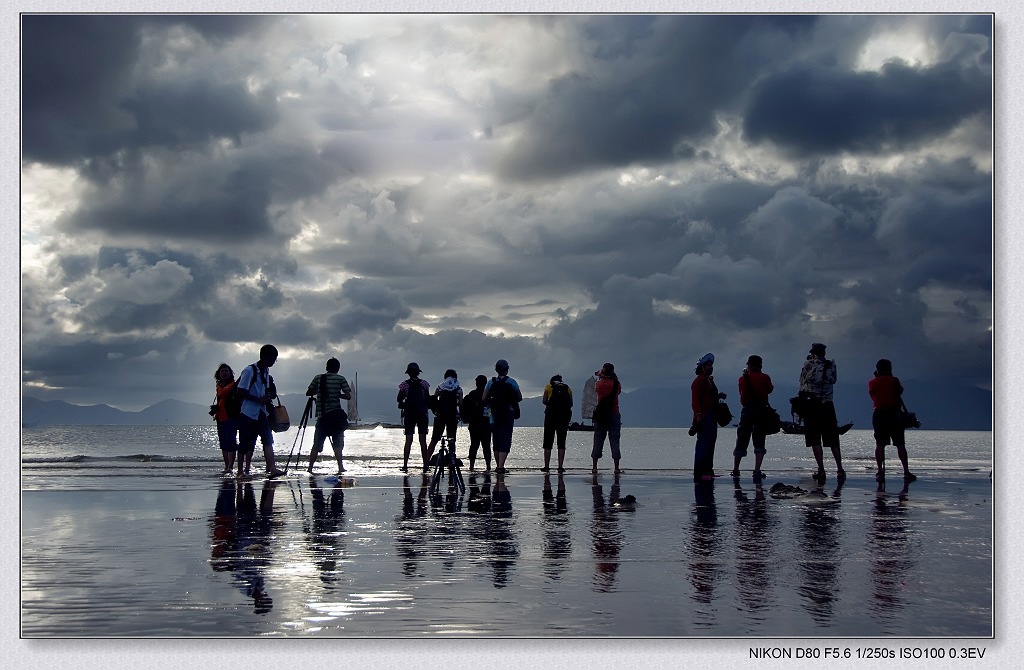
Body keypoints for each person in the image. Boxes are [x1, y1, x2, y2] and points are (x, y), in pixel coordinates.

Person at [236, 344, 286, 478]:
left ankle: (272, 468)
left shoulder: (265, 371)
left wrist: (267, 397)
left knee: (268, 440)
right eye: (273, 359)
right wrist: (258, 399)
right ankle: (240, 472)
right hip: (248, 412)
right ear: (264, 357)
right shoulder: (249, 370)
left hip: (262, 412)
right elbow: (240, 391)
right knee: (244, 443)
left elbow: (266, 390)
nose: (274, 362)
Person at [799, 342, 845, 482]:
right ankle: (840, 469)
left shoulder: (809, 365)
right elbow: (833, 380)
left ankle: (821, 469)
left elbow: (802, 381)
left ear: (813, 353)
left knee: (814, 439)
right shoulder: (831, 365)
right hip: (828, 405)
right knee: (833, 439)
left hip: (812, 405)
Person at [868, 358, 916, 483]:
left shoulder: (872, 382)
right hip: (895, 414)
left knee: (880, 445)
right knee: (900, 444)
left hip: (879, 414)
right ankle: (905, 471)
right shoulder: (894, 381)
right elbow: (900, 392)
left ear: (877, 368)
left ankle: (879, 472)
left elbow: (872, 395)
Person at [305, 357, 353, 475]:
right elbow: (348, 396)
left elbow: (309, 393)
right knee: (338, 443)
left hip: (322, 416)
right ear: (338, 368)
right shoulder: (341, 379)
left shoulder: (318, 378)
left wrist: (319, 391)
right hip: (336, 416)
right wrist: (337, 395)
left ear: (326, 367)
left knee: (316, 444)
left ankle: (310, 468)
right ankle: (340, 467)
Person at [731, 355, 774, 480]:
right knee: (760, 440)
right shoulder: (765, 377)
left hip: (747, 410)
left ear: (749, 365)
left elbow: (741, 393)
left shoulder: (742, 379)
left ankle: (736, 469)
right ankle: (757, 470)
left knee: (742, 439)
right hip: (761, 411)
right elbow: (770, 389)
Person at [482, 359, 522, 475]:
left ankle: (497, 465)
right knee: (506, 439)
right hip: (508, 414)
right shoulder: (512, 382)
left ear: (496, 369)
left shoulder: (491, 382)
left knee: (496, 440)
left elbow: (484, 399)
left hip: (493, 415)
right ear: (507, 369)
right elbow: (519, 397)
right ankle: (501, 466)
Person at [425, 369, 464, 465]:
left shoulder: (440, 387)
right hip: (452, 416)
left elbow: (434, 399)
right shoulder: (458, 388)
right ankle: (452, 462)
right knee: (451, 440)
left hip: (440, 416)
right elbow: (461, 403)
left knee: (434, 440)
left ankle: (425, 463)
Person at [397, 362, 431, 472]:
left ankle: (405, 465)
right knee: (423, 441)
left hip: (409, 414)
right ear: (418, 372)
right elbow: (427, 398)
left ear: (408, 373)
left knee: (408, 441)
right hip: (422, 414)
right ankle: (425, 465)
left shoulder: (404, 385)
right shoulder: (424, 384)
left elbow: (398, 399)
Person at [691, 353, 719, 482]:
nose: (710, 367)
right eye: (707, 365)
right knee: (703, 444)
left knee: (710, 444)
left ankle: (708, 470)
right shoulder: (699, 381)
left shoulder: (708, 381)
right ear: (702, 367)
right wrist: (698, 415)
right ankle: (700, 471)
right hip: (704, 416)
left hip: (711, 415)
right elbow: (695, 400)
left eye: (711, 365)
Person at [591, 363, 622, 474]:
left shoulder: (598, 384)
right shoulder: (616, 384)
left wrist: (601, 374)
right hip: (614, 413)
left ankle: (594, 467)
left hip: (601, 415)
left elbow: (597, 387)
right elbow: (618, 392)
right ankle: (616, 468)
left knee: (598, 440)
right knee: (614, 440)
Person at [542, 374, 573, 472]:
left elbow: (544, 400)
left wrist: (550, 405)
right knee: (561, 443)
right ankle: (560, 467)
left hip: (550, 417)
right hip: (563, 419)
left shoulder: (548, 387)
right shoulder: (568, 388)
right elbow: (571, 404)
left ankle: (546, 466)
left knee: (548, 443)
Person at [213, 363, 240, 476]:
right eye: (222, 371)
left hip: (230, 417)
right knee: (223, 443)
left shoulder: (233, 385)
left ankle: (230, 467)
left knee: (231, 442)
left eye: (226, 371)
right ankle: (226, 465)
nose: (224, 373)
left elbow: (225, 393)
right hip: (220, 416)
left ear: (230, 373)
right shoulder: (219, 386)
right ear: (219, 373)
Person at [462, 374, 492, 472]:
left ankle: (471, 466)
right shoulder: (488, 395)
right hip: (485, 424)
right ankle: (488, 466)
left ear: (476, 383)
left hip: (474, 424)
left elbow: (464, 406)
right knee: (486, 446)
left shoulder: (471, 395)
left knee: (474, 445)